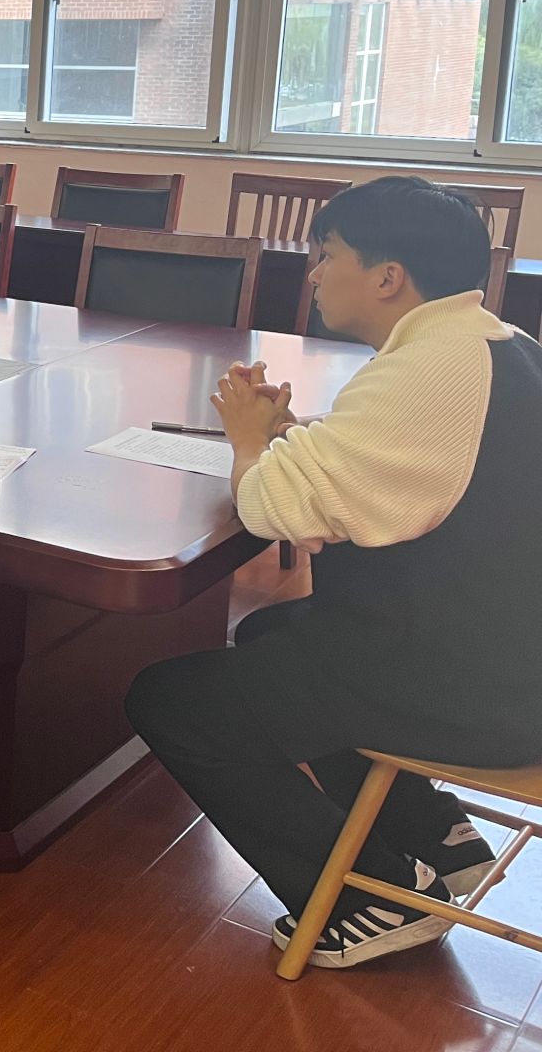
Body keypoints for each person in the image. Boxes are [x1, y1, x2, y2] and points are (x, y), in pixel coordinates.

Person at [126, 176, 542, 970]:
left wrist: (251, 440)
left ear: (388, 276)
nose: (313, 273)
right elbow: (400, 472)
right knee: (271, 631)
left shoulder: (426, 371)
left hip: (480, 695)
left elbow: (275, 510)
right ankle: (433, 833)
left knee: (168, 699)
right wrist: (293, 436)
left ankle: (370, 900)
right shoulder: (494, 345)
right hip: (506, 656)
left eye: (327, 256)